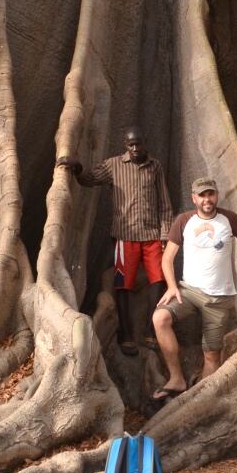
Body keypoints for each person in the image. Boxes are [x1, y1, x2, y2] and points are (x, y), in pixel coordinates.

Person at [57, 127, 173, 356]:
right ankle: (126, 334)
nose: (136, 148)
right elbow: (89, 179)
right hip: (125, 237)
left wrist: (165, 234)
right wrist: (77, 167)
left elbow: (165, 202)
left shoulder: (155, 166)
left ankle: (151, 331)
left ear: (145, 143)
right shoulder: (114, 165)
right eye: (131, 145)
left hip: (152, 236)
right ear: (125, 145)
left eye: (139, 144)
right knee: (123, 285)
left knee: (159, 281)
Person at [151, 176, 237, 402]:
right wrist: (172, 286)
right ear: (194, 198)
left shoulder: (229, 219)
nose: (207, 199)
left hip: (219, 298)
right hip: (189, 292)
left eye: (210, 194)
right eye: (202, 195)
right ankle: (177, 379)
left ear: (216, 195)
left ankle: (199, 400)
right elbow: (167, 258)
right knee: (160, 318)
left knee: (211, 355)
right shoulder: (184, 220)